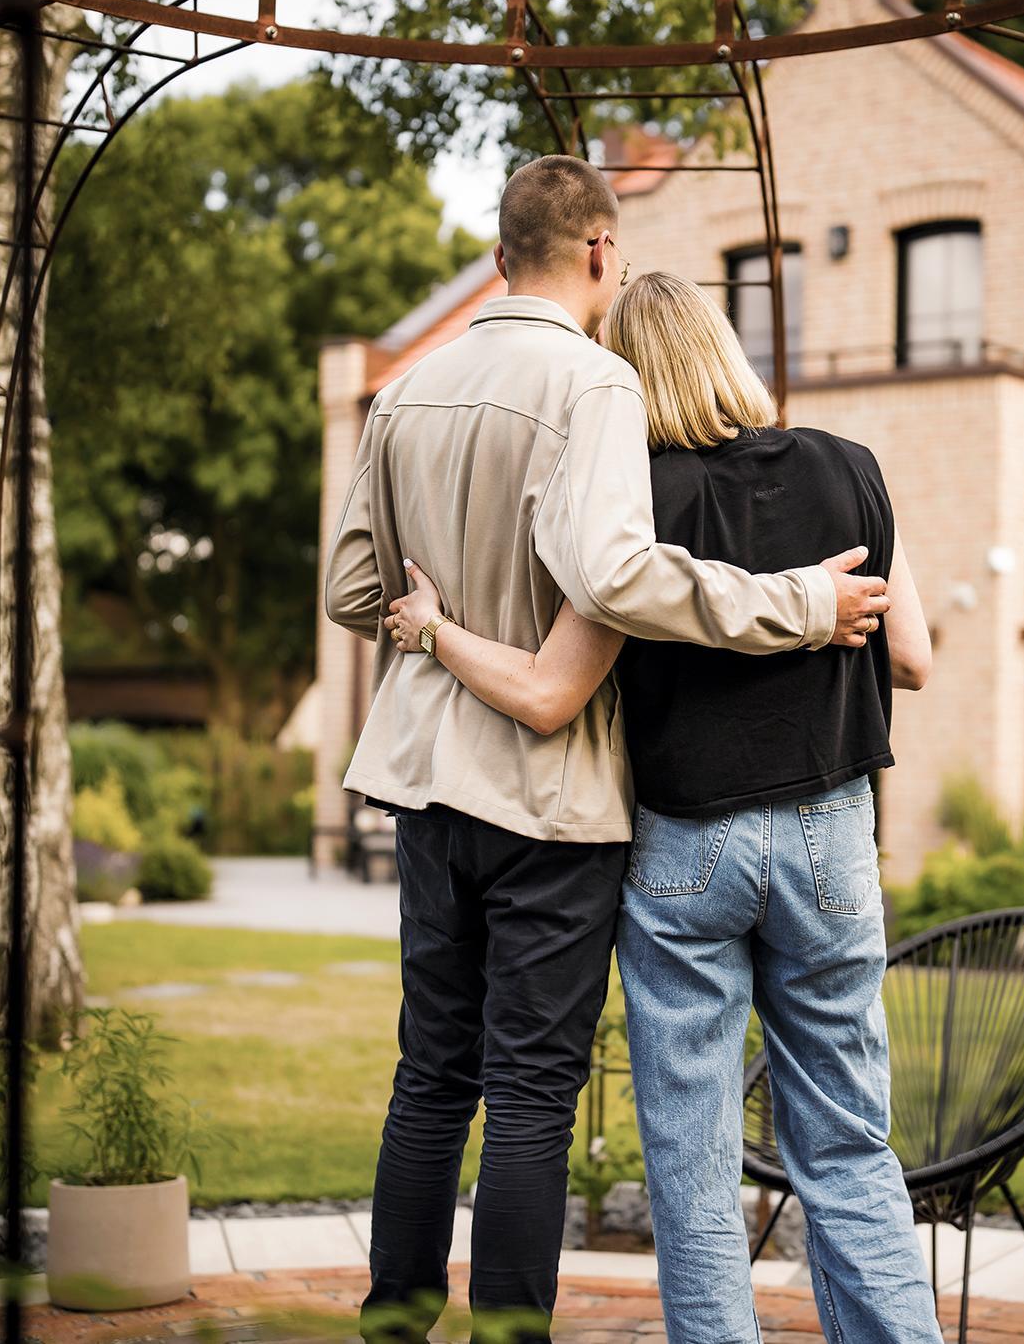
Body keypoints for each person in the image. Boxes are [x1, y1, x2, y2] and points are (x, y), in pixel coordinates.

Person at [323, 157, 891, 1344]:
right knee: (531, 1091)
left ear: (496, 261)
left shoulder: (403, 392)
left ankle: (393, 1330)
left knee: (430, 1075)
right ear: (598, 251)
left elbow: (352, 589)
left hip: (425, 783)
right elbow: (616, 576)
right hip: (550, 798)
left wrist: (433, 630)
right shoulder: (596, 387)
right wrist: (794, 606)